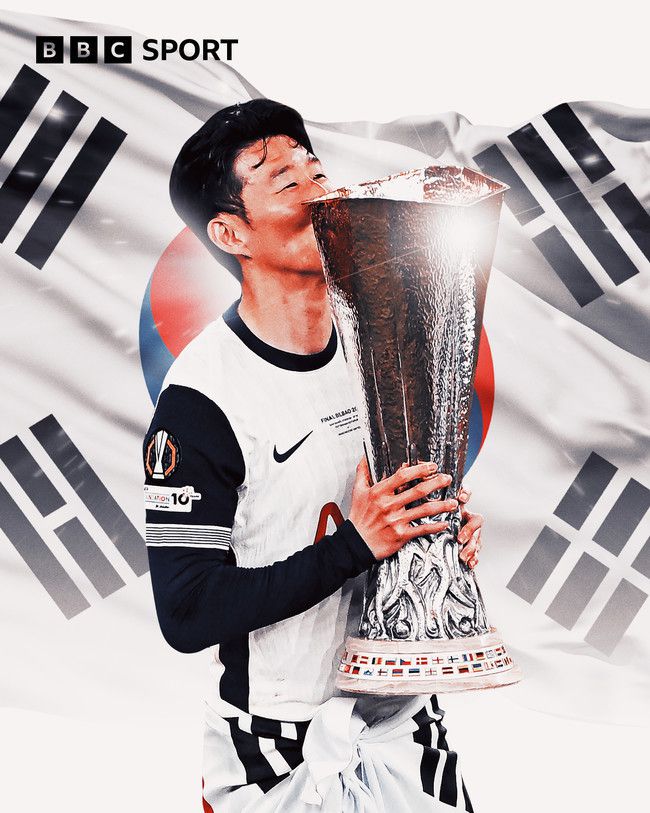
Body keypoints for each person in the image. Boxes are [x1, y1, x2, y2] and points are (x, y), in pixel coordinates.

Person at [142, 98, 484, 812]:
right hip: (275, 740)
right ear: (230, 232)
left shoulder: (381, 342)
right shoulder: (203, 399)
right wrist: (357, 543)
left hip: (404, 717)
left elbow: (392, 511)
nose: (318, 190)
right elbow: (187, 610)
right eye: (285, 180)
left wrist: (433, 534)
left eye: (316, 169)